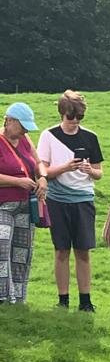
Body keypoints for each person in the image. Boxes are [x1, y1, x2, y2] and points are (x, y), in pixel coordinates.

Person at [36, 89, 103, 312]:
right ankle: (63, 299)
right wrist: (65, 167)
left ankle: (86, 300)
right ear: (62, 113)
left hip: (83, 198)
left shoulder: (90, 137)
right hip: (57, 199)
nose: (74, 122)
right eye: (70, 117)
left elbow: (99, 172)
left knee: (83, 251)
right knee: (61, 250)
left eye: (79, 118)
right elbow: (42, 170)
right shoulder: (48, 135)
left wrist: (89, 170)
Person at [0, 102, 46, 304]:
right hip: (3, 205)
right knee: (2, 248)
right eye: (22, 125)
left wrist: (42, 177)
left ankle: (18, 298)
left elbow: (38, 163)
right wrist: (17, 181)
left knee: (22, 251)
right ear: (9, 121)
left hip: (26, 205)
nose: (26, 130)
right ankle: (3, 296)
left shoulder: (25, 140)